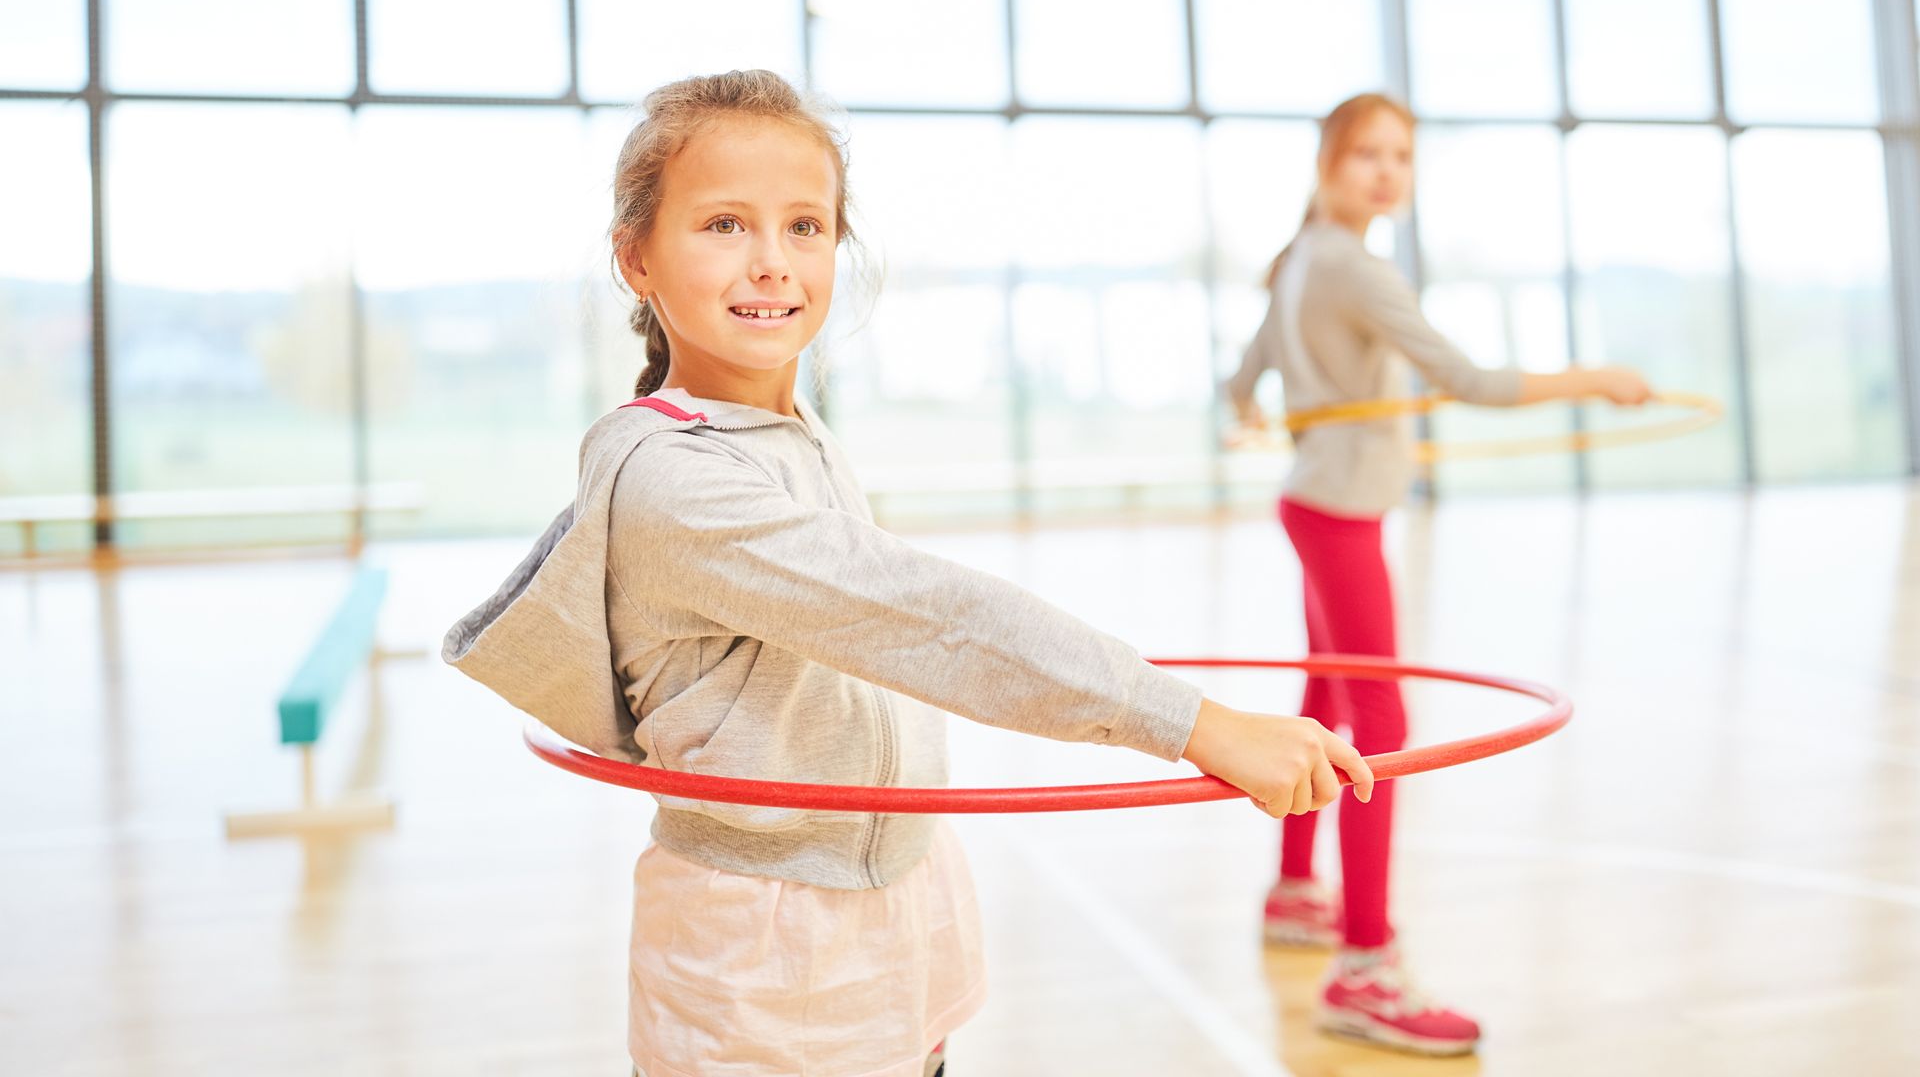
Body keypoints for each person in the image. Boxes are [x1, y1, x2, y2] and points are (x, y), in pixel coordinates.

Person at [444, 70, 1375, 1077]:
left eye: (805, 225)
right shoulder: (672, 475)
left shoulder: (792, 429)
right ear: (637, 255)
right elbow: (925, 617)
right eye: (723, 224)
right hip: (764, 952)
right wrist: (1200, 723)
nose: (771, 262)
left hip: (895, 896)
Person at [1226, 92, 1650, 1057]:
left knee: (1331, 688)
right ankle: (1365, 966)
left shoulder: (1301, 259)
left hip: (1317, 495)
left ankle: (1299, 893)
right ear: (1329, 162)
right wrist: (1597, 380)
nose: (1386, 171)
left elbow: (1244, 371)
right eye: (1367, 153)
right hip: (1338, 510)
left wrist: (1253, 407)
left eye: (1401, 156)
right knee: (1381, 720)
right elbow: (1474, 385)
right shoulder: (1352, 268)